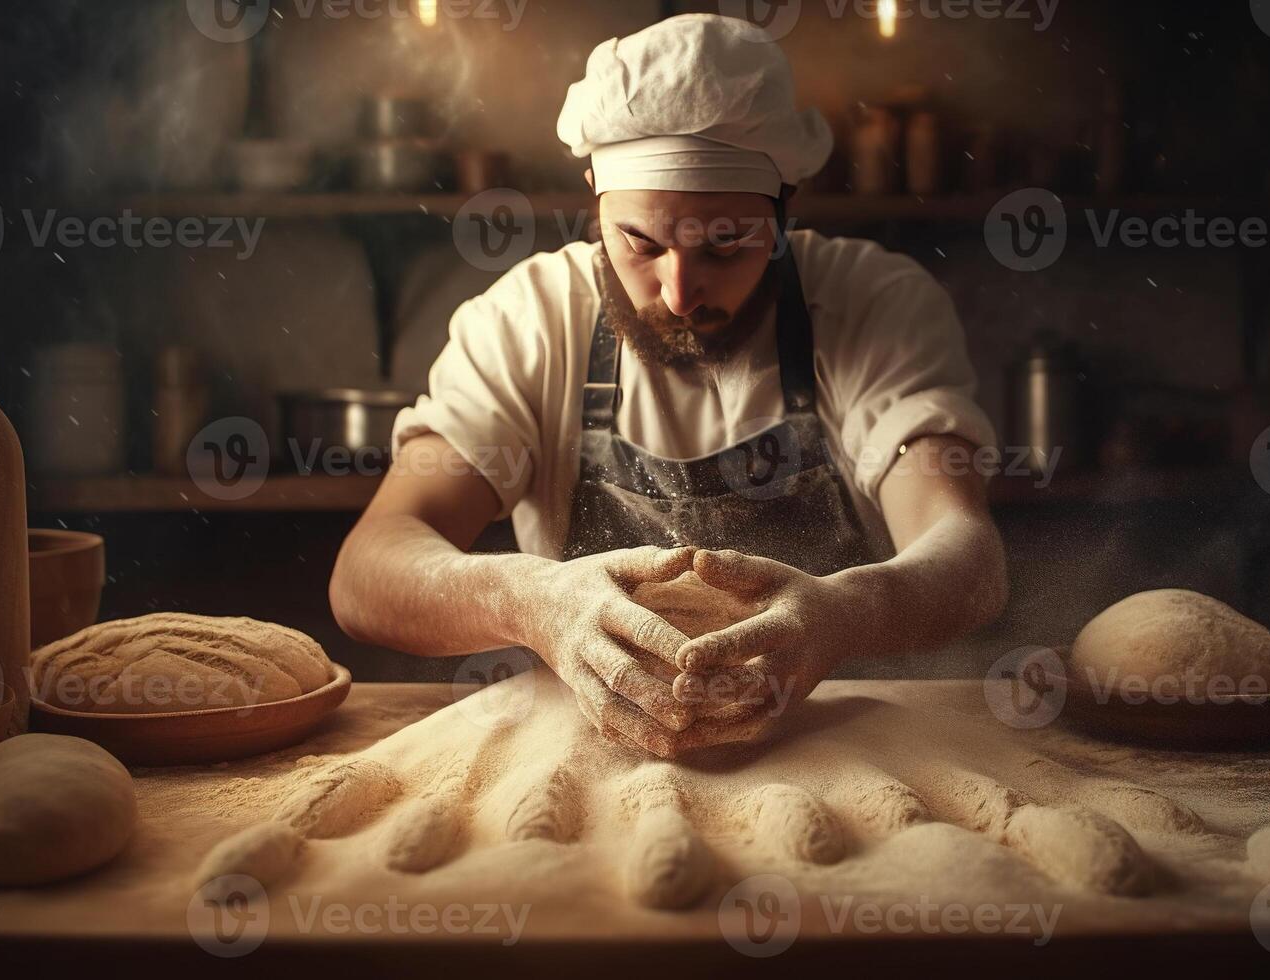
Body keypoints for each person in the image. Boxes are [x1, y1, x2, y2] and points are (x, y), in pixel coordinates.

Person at [331, 14, 1008, 757]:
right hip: (596, 741)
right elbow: (369, 571)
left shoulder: (873, 304)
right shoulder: (525, 321)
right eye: (640, 243)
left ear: (784, 206)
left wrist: (845, 612)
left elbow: (967, 557)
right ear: (593, 194)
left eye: (725, 244)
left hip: (839, 736)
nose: (680, 292)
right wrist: (530, 601)